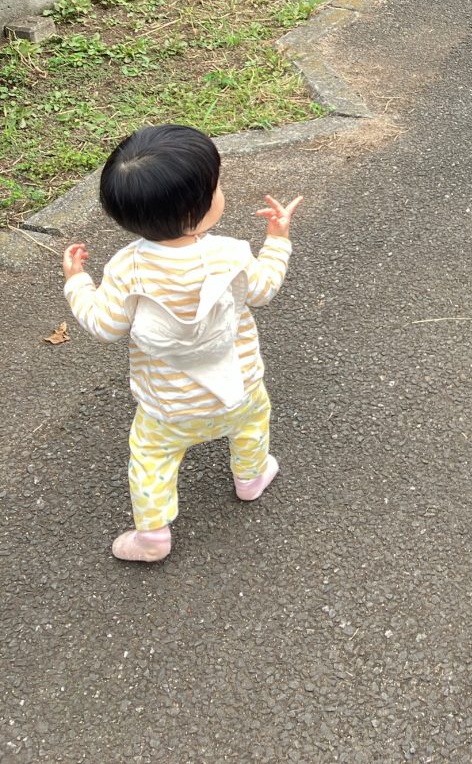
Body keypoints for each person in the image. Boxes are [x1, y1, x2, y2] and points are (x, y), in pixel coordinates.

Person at [62, 125, 302, 563]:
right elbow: (264, 289)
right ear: (200, 209)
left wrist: (78, 282)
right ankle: (250, 479)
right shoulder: (231, 253)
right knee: (252, 426)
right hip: (239, 387)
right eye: (216, 187)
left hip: (168, 406)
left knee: (151, 457)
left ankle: (152, 534)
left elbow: (104, 326)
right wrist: (277, 240)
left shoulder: (126, 269)